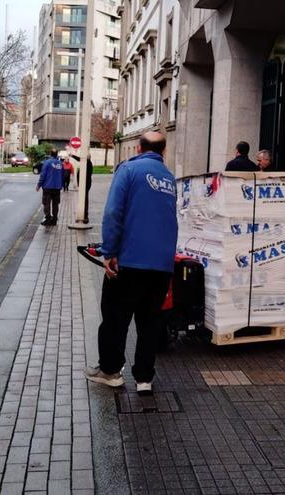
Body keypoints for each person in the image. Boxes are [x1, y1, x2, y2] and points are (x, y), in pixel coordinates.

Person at [85, 131, 177, 395]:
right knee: (150, 323)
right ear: (164, 152)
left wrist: (109, 251)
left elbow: (114, 212)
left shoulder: (128, 170)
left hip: (129, 261)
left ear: (138, 148)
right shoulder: (169, 178)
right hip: (161, 265)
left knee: (115, 318)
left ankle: (111, 371)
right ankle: (144, 378)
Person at [36, 149, 64, 226]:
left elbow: (43, 175)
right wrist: (61, 185)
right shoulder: (60, 164)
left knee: (46, 203)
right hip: (57, 187)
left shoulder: (47, 163)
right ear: (57, 154)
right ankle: (54, 219)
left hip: (48, 187)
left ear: (50, 154)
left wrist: (39, 185)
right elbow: (62, 176)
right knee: (55, 204)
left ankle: (48, 219)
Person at [71, 154, 94, 223]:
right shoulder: (85, 163)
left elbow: (79, 159)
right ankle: (82, 215)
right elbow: (79, 159)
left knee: (84, 200)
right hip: (83, 185)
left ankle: (85, 216)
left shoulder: (88, 163)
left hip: (85, 185)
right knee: (82, 200)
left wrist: (72, 155)